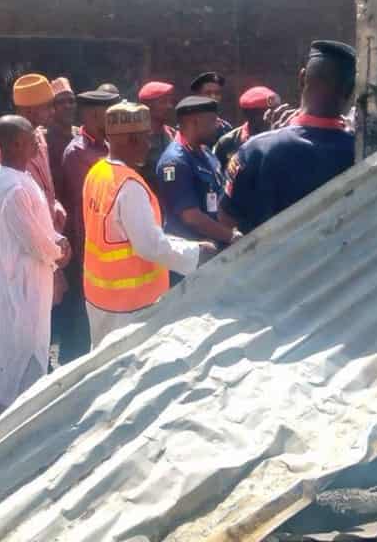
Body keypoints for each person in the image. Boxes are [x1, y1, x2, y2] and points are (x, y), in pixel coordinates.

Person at [83, 101, 216, 347]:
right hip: (130, 305)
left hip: (100, 298)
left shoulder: (97, 173)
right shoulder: (129, 185)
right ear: (132, 139)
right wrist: (197, 252)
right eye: (146, 138)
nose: (150, 144)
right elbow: (150, 246)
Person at [0, 116, 69, 415]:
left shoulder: (20, 176)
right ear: (15, 144)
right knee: (22, 347)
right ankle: (9, 419)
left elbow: (40, 226)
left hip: (34, 272)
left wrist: (58, 239)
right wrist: (58, 253)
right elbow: (33, 241)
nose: (37, 146)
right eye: (31, 141)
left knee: (32, 344)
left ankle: (24, 414)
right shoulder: (12, 187)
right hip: (24, 276)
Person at [219, 40, 356, 234]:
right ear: (350, 90)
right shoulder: (359, 152)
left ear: (302, 78)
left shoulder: (256, 149)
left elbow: (226, 218)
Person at [56, 89, 119, 364]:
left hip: (106, 245)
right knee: (80, 323)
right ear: (95, 115)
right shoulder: (78, 153)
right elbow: (94, 203)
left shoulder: (106, 147)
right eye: (110, 115)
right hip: (86, 247)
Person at [10, 73, 69, 305]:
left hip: (48, 242)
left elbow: (44, 185)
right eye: (47, 107)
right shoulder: (11, 149)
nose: (53, 112)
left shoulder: (39, 138)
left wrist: (54, 205)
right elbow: (22, 213)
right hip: (30, 253)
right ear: (30, 111)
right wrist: (50, 249)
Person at [156, 97, 241, 247]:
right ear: (194, 122)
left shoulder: (205, 152)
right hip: (194, 252)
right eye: (212, 121)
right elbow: (191, 217)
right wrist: (231, 236)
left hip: (217, 243)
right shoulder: (174, 162)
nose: (218, 125)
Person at [214, 86, 281, 172]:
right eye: (263, 113)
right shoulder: (228, 142)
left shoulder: (283, 139)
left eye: (273, 113)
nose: (269, 118)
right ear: (247, 114)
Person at [137, 81, 176, 194]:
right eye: (163, 102)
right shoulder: (137, 139)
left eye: (169, 101)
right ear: (147, 106)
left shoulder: (172, 134)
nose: (169, 106)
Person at [46, 77, 77, 199]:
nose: (67, 106)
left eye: (71, 101)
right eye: (61, 102)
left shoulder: (81, 135)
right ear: (51, 107)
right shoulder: (43, 140)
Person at [190, 72, 232, 144]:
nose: (213, 97)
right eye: (208, 93)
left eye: (217, 93)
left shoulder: (225, 128)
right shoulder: (188, 126)